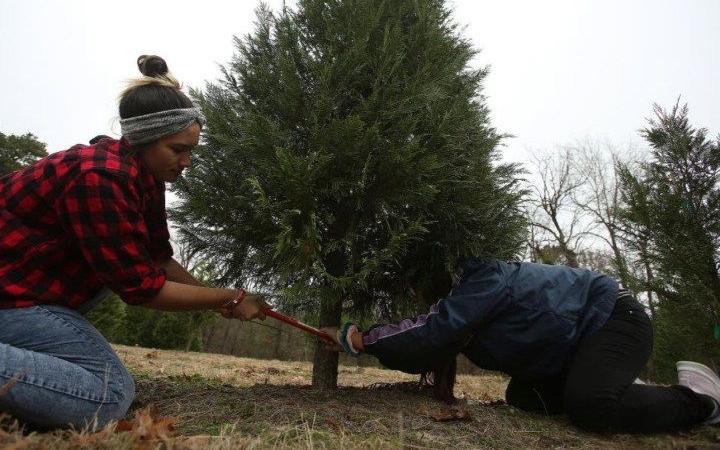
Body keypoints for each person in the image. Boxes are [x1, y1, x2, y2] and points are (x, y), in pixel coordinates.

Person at [0, 55, 265, 430]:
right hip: (12, 298)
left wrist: (215, 299)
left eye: (191, 150)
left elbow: (157, 258)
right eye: (178, 149)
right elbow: (140, 288)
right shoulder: (101, 177)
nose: (187, 161)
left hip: (29, 292)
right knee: (107, 394)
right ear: (143, 138)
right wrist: (230, 297)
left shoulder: (144, 176)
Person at [321, 258, 720, 434]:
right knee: (524, 395)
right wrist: (361, 345)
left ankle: (699, 401)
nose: (417, 300)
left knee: (591, 407)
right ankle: (623, 391)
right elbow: (426, 345)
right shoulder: (463, 314)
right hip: (575, 353)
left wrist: (361, 338)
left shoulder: (482, 280)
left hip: (614, 320)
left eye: (415, 287)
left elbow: (433, 328)